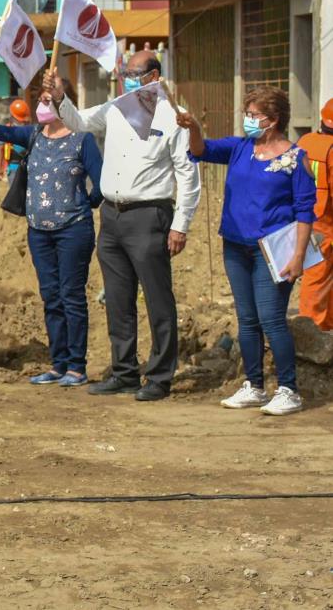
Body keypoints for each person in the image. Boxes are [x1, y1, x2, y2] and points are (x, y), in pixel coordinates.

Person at [45, 50, 201, 401]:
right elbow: (79, 122)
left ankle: (160, 377)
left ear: (153, 76)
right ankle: (124, 371)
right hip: (112, 215)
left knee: (158, 300)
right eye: (124, 72)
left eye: (133, 73)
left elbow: (187, 175)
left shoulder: (172, 116)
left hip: (149, 216)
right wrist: (59, 98)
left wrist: (180, 225)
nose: (126, 78)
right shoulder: (116, 107)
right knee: (118, 299)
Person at [177, 88, 315, 415]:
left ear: (274, 120)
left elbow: (305, 210)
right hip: (235, 246)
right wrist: (194, 127)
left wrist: (297, 256)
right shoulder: (240, 148)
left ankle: (288, 389)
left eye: (254, 115)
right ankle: (254, 385)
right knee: (247, 319)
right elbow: (201, 149)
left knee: (271, 319)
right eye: (247, 113)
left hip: (272, 251)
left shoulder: (295, 158)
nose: (248, 120)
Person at [0, 71, 102, 387]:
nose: (42, 104)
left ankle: (77, 366)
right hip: (39, 232)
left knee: (71, 295)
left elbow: (101, 182)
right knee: (51, 297)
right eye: (41, 99)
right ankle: (58, 364)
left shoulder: (82, 139)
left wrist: (85, 204)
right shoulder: (33, 135)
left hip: (73, 230)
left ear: (64, 101)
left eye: (49, 98)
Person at [297, 98, 333, 330]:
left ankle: (323, 330)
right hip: (326, 225)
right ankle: (311, 335)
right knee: (318, 281)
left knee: (317, 279)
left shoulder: (305, 141)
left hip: (306, 221)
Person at [1, 98, 31, 180]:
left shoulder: (30, 131)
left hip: (27, 168)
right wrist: (0, 168)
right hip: (13, 168)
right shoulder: (8, 131)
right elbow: (2, 149)